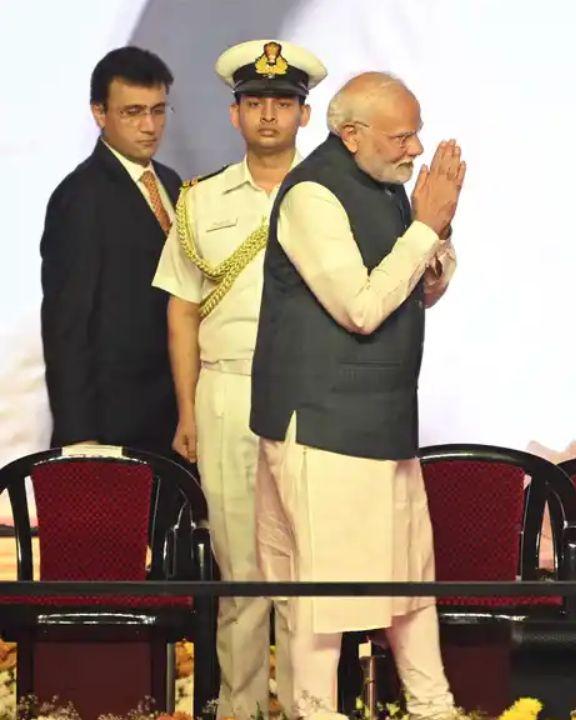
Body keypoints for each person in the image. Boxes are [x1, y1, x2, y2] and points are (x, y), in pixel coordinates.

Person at [250, 71, 462, 718]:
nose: (416, 149)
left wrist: (439, 233)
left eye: (418, 132)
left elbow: (420, 287)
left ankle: (434, 708)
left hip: (385, 419)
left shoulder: (384, 183)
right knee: (326, 599)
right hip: (326, 426)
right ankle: (313, 712)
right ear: (350, 135)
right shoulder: (313, 195)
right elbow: (362, 309)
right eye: (403, 136)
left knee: (410, 585)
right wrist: (425, 227)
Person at [152, 39, 326, 719]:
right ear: (234, 115)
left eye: (282, 103)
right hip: (225, 390)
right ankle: (240, 708)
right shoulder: (202, 200)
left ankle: (313, 705)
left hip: (312, 396)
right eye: (255, 102)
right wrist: (187, 413)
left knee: (310, 571)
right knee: (241, 571)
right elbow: (181, 310)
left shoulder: (332, 195)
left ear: (303, 116)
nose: (268, 116)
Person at [41, 46, 179, 452]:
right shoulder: (80, 196)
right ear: (99, 113)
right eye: (132, 112)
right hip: (111, 427)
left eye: (158, 110)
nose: (149, 126)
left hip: (172, 417)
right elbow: (66, 325)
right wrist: (78, 435)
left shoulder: (171, 183)